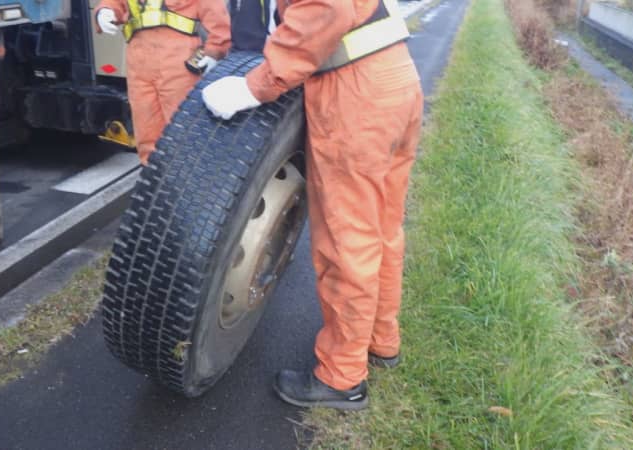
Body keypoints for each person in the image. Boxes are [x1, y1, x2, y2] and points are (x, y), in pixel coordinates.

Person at [202, 0, 423, 410]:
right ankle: (381, 341)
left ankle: (343, 378)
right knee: (382, 229)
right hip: (393, 79)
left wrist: (255, 85)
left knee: (347, 243)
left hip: (356, 96)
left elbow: (325, 9)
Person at [94, 0, 231, 165]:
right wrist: (105, 11)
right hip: (139, 61)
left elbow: (214, 12)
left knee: (183, 128)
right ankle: (151, 176)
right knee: (146, 130)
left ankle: (185, 182)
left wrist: (215, 50)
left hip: (177, 60)